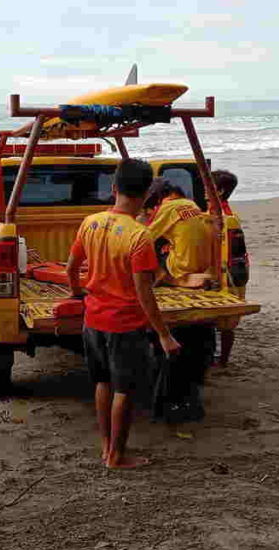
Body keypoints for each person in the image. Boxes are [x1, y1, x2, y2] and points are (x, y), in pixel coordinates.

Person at [67, 158, 181, 470]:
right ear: (146, 195)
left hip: (93, 320)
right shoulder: (139, 236)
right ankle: (117, 456)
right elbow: (144, 293)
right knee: (124, 390)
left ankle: (107, 447)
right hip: (124, 324)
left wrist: (78, 293)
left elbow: (71, 268)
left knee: (102, 383)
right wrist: (164, 334)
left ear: (114, 188)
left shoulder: (89, 222)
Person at [145, 179, 214, 288]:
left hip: (183, 265)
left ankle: (161, 275)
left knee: (147, 244)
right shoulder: (192, 203)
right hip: (204, 263)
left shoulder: (165, 207)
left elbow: (145, 237)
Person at [211, 170, 239, 367]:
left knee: (225, 321)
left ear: (219, 191)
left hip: (223, 271)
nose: (203, 189)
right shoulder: (219, 211)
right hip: (224, 271)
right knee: (225, 321)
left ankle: (223, 360)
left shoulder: (223, 216)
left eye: (207, 186)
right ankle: (222, 359)